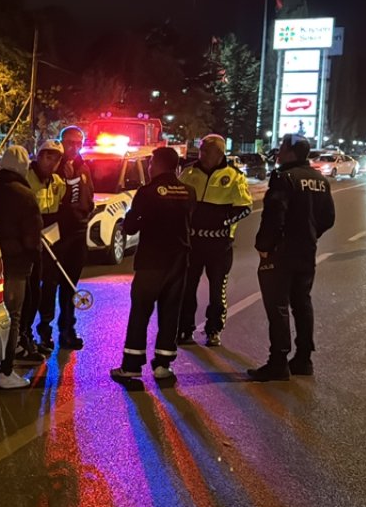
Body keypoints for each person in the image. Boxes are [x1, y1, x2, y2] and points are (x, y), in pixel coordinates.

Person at [248, 134, 335, 381]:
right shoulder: (320, 180)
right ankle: (304, 359)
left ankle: (278, 362)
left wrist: (265, 245)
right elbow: (328, 218)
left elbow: (275, 214)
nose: (278, 153)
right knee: (302, 303)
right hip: (306, 251)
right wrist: (310, 234)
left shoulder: (284, 177)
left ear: (292, 152)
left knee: (277, 306)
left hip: (281, 252)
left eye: (283, 148)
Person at [110, 147, 195, 381]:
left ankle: (132, 366)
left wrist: (131, 216)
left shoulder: (147, 192)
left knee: (140, 313)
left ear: (156, 165)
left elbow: (130, 227)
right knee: (170, 314)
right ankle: (163, 366)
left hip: (151, 261)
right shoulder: (189, 192)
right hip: (178, 262)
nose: (149, 167)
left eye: (151, 164)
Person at [0, 145, 46, 389]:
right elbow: (31, 237)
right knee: (12, 316)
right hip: (15, 265)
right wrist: (35, 259)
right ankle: (5, 371)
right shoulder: (24, 196)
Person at [177, 134, 253, 347]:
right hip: (193, 242)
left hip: (219, 245)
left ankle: (214, 330)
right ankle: (185, 329)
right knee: (187, 287)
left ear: (219, 153)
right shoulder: (189, 173)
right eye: (201, 149)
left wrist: (225, 221)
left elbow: (246, 207)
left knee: (217, 289)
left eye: (206, 150)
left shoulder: (234, 176)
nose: (202, 154)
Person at [23, 140, 68, 354]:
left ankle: (45, 329)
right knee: (29, 291)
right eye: (49, 157)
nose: (53, 162)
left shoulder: (58, 182)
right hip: (31, 241)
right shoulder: (26, 178)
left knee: (50, 286)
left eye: (57, 158)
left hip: (51, 240)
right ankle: (25, 335)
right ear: (39, 156)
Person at [53, 126, 95, 350]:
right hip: (59, 234)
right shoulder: (55, 167)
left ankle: (67, 328)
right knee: (50, 285)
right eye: (69, 142)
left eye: (78, 143)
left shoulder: (83, 166)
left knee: (71, 286)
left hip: (79, 232)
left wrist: (87, 211)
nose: (74, 147)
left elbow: (89, 196)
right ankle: (43, 333)